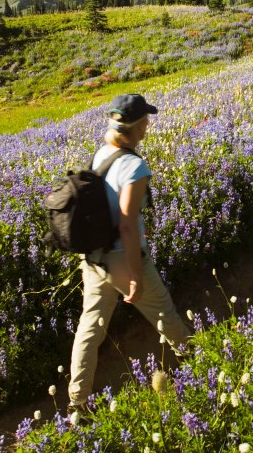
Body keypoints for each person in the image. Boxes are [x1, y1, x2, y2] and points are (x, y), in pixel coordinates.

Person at [67, 94, 191, 414]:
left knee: (90, 329)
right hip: (123, 258)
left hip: (94, 258)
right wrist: (135, 276)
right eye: (145, 121)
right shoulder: (135, 166)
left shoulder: (102, 154)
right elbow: (127, 225)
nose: (148, 125)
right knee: (164, 313)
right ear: (133, 127)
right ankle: (199, 366)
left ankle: (77, 403)